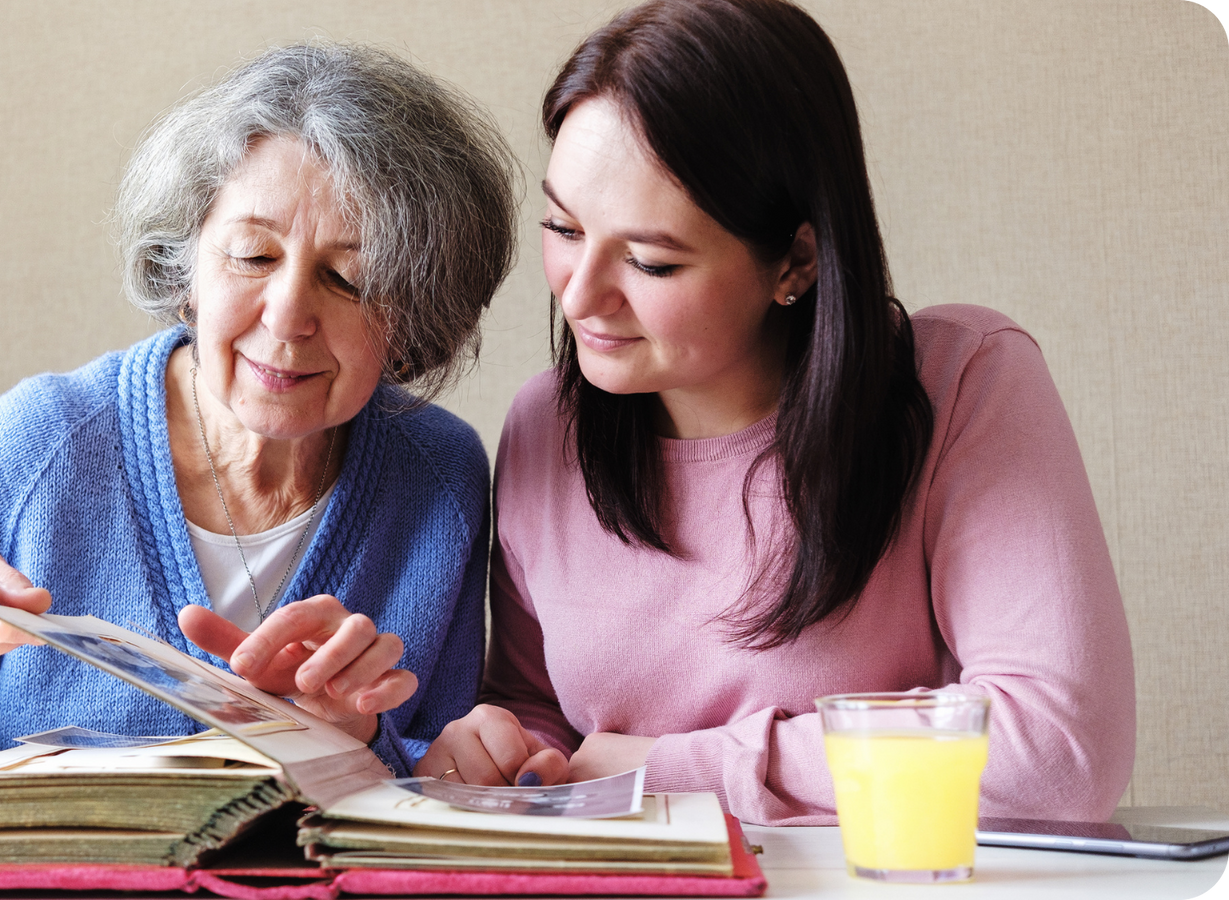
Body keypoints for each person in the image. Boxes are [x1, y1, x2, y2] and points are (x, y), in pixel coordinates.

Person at [0, 42, 518, 830]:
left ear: (414, 317)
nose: (289, 316)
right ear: (185, 271)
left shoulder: (436, 474)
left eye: (348, 278)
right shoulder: (46, 445)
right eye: (252, 258)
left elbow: (427, 802)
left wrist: (351, 747)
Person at [417, 0, 1135, 826]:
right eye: (564, 227)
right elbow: (547, 719)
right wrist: (500, 746)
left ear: (795, 259)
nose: (580, 297)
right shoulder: (547, 426)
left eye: (650, 261)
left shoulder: (963, 381)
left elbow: (1063, 751)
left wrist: (677, 769)